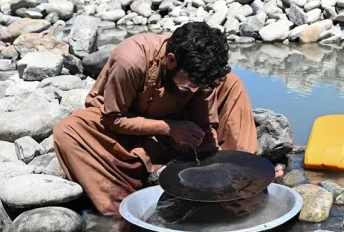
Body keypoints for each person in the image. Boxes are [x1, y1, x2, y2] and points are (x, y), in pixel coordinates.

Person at [53, 22, 282, 217]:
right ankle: (125, 207)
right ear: (171, 61)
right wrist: (168, 128)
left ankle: (244, 172)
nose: (196, 88)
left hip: (177, 119)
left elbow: (204, 110)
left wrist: (208, 153)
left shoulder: (199, 74)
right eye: (191, 84)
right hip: (127, 127)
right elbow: (113, 118)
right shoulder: (131, 61)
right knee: (69, 130)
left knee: (230, 82)